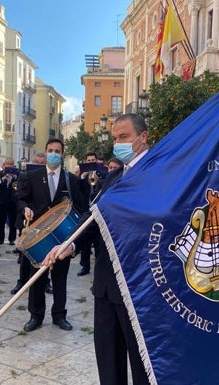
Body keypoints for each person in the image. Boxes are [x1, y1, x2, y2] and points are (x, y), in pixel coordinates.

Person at [45, 113, 151, 385]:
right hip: (105, 285)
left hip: (140, 286)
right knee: (108, 359)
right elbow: (93, 218)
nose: (118, 144)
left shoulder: (158, 176)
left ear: (143, 137)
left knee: (143, 365)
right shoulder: (114, 176)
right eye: (115, 138)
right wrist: (69, 245)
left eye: (124, 137)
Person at [16, 138, 87, 332]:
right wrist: (26, 209)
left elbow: (81, 207)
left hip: (61, 238)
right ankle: (35, 316)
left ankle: (59, 315)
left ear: (62, 154)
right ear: (45, 152)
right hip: (38, 237)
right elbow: (21, 199)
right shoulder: (32, 176)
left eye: (57, 150)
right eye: (50, 150)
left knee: (60, 277)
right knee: (36, 278)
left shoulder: (71, 180)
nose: (54, 153)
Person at [10, 152, 51, 295]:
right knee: (25, 256)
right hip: (28, 220)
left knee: (44, 255)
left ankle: (45, 282)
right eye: (36, 163)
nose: (38, 166)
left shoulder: (49, 177)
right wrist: (25, 208)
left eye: (41, 164)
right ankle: (22, 282)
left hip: (44, 222)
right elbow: (20, 197)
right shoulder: (24, 176)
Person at [77, 152, 100, 277]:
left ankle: (98, 267)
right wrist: (82, 177)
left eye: (93, 160)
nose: (91, 162)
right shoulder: (83, 176)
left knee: (97, 242)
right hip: (86, 210)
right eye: (89, 160)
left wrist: (97, 181)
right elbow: (78, 190)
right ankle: (85, 266)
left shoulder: (101, 174)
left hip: (98, 212)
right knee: (85, 241)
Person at [0, 158, 18, 246]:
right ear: (4, 165)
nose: (9, 166)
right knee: (1, 221)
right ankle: (0, 239)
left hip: (12, 202)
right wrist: (3, 179)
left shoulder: (17, 174)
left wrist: (16, 178)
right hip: (1, 201)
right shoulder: (0, 174)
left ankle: (12, 239)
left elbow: (20, 186)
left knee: (12, 222)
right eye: (7, 164)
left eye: (11, 164)